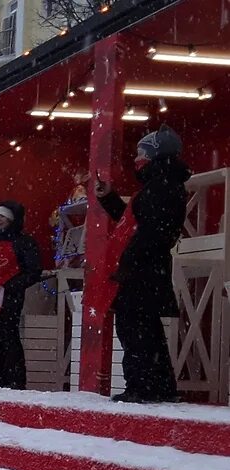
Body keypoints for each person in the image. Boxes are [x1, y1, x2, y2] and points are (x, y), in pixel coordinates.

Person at [96, 125, 189, 403]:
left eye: (141, 152)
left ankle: (142, 386)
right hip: (148, 268)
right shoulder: (160, 185)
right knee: (145, 329)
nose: (136, 158)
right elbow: (133, 221)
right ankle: (157, 386)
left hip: (143, 270)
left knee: (135, 329)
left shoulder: (161, 187)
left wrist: (129, 262)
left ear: (153, 155)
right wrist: (109, 199)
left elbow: (149, 232)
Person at [0, 201, 42, 390]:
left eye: (1, 216)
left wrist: (10, 286)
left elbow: (33, 271)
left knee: (8, 337)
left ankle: (15, 380)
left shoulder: (24, 242)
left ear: (11, 219)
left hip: (9, 298)